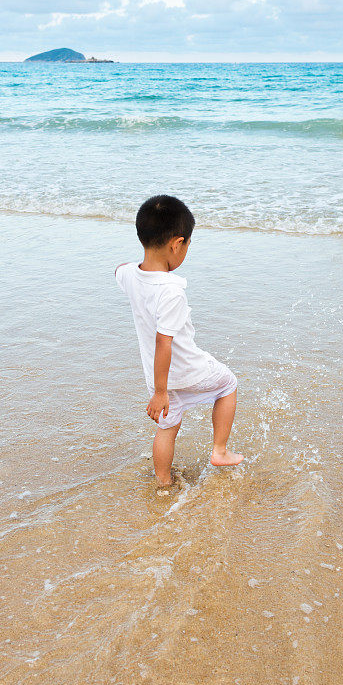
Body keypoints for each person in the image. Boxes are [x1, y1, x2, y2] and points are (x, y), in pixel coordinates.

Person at [115, 195, 243, 492]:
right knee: (228, 384)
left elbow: (119, 269)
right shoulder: (171, 290)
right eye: (186, 246)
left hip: (157, 375)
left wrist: (160, 390)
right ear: (176, 244)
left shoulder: (129, 276)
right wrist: (161, 393)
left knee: (167, 426)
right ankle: (220, 451)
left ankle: (163, 480)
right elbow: (164, 342)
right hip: (185, 369)